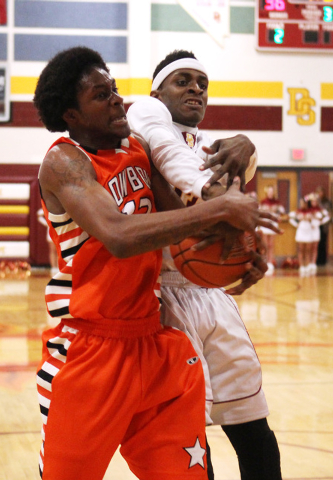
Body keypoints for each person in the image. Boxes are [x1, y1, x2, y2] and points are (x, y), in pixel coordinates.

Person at [33, 46, 274, 480]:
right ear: (71, 114)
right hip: (89, 350)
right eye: (102, 96)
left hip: (155, 342)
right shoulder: (64, 161)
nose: (118, 101)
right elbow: (120, 237)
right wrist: (219, 212)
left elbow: (187, 226)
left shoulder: (138, 152)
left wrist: (241, 253)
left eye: (116, 90)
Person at [127, 50, 283, 480]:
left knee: (254, 426)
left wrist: (245, 253)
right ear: (157, 91)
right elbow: (172, 160)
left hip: (213, 296)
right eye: (183, 80)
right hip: (163, 298)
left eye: (202, 82)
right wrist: (219, 195)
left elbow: (232, 215)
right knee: (191, 436)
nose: (196, 88)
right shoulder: (145, 118)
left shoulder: (218, 147)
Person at [259, 185, 285, 276]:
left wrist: (277, 209)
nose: (270, 193)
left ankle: (270, 262)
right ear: (267, 192)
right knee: (265, 244)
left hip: (273, 224)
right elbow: (259, 211)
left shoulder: (277, 202)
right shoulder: (263, 202)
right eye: (269, 191)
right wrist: (264, 209)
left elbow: (283, 211)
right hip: (266, 224)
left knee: (271, 244)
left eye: (271, 191)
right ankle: (265, 262)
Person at [289, 197, 315, 277]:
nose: (301, 205)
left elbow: (315, 221)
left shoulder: (310, 212)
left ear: (306, 203)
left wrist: (310, 220)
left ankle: (307, 265)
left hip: (308, 230)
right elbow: (290, 218)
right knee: (300, 249)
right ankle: (301, 266)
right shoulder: (298, 212)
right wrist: (297, 224)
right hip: (301, 230)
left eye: (303, 203)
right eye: (300, 203)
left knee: (308, 249)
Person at [37, 207, 59, 274]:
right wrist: (46, 224)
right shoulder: (48, 207)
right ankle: (53, 267)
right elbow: (39, 214)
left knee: (58, 250)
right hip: (50, 231)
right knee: (52, 250)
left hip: (58, 231)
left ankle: (59, 267)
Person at [315, 186, 332, 266]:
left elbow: (329, 213)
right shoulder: (315, 201)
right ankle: (316, 260)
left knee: (323, 242)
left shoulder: (327, 202)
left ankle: (323, 260)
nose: (320, 194)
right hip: (316, 225)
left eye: (321, 192)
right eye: (318, 192)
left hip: (324, 225)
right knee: (316, 243)